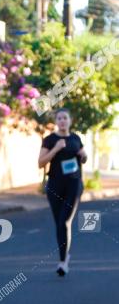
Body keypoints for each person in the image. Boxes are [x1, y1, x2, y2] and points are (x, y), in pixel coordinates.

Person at [38, 108, 88, 276]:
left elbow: (83, 157)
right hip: (55, 185)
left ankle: (62, 262)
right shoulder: (50, 140)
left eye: (65, 118)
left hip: (73, 184)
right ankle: (65, 256)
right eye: (59, 118)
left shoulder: (75, 139)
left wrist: (83, 155)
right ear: (56, 121)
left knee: (64, 222)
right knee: (59, 223)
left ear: (70, 121)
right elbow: (40, 162)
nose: (62, 121)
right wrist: (56, 149)